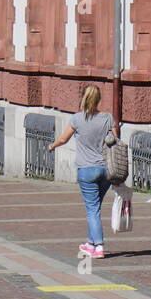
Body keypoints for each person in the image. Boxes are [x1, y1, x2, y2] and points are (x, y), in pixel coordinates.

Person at [47, 84, 114, 259]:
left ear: (83, 98)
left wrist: (52, 146)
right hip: (105, 170)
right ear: (99, 99)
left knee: (92, 209)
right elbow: (115, 140)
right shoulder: (107, 118)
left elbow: (63, 138)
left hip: (86, 170)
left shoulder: (77, 119)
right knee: (95, 207)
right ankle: (90, 243)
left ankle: (98, 246)